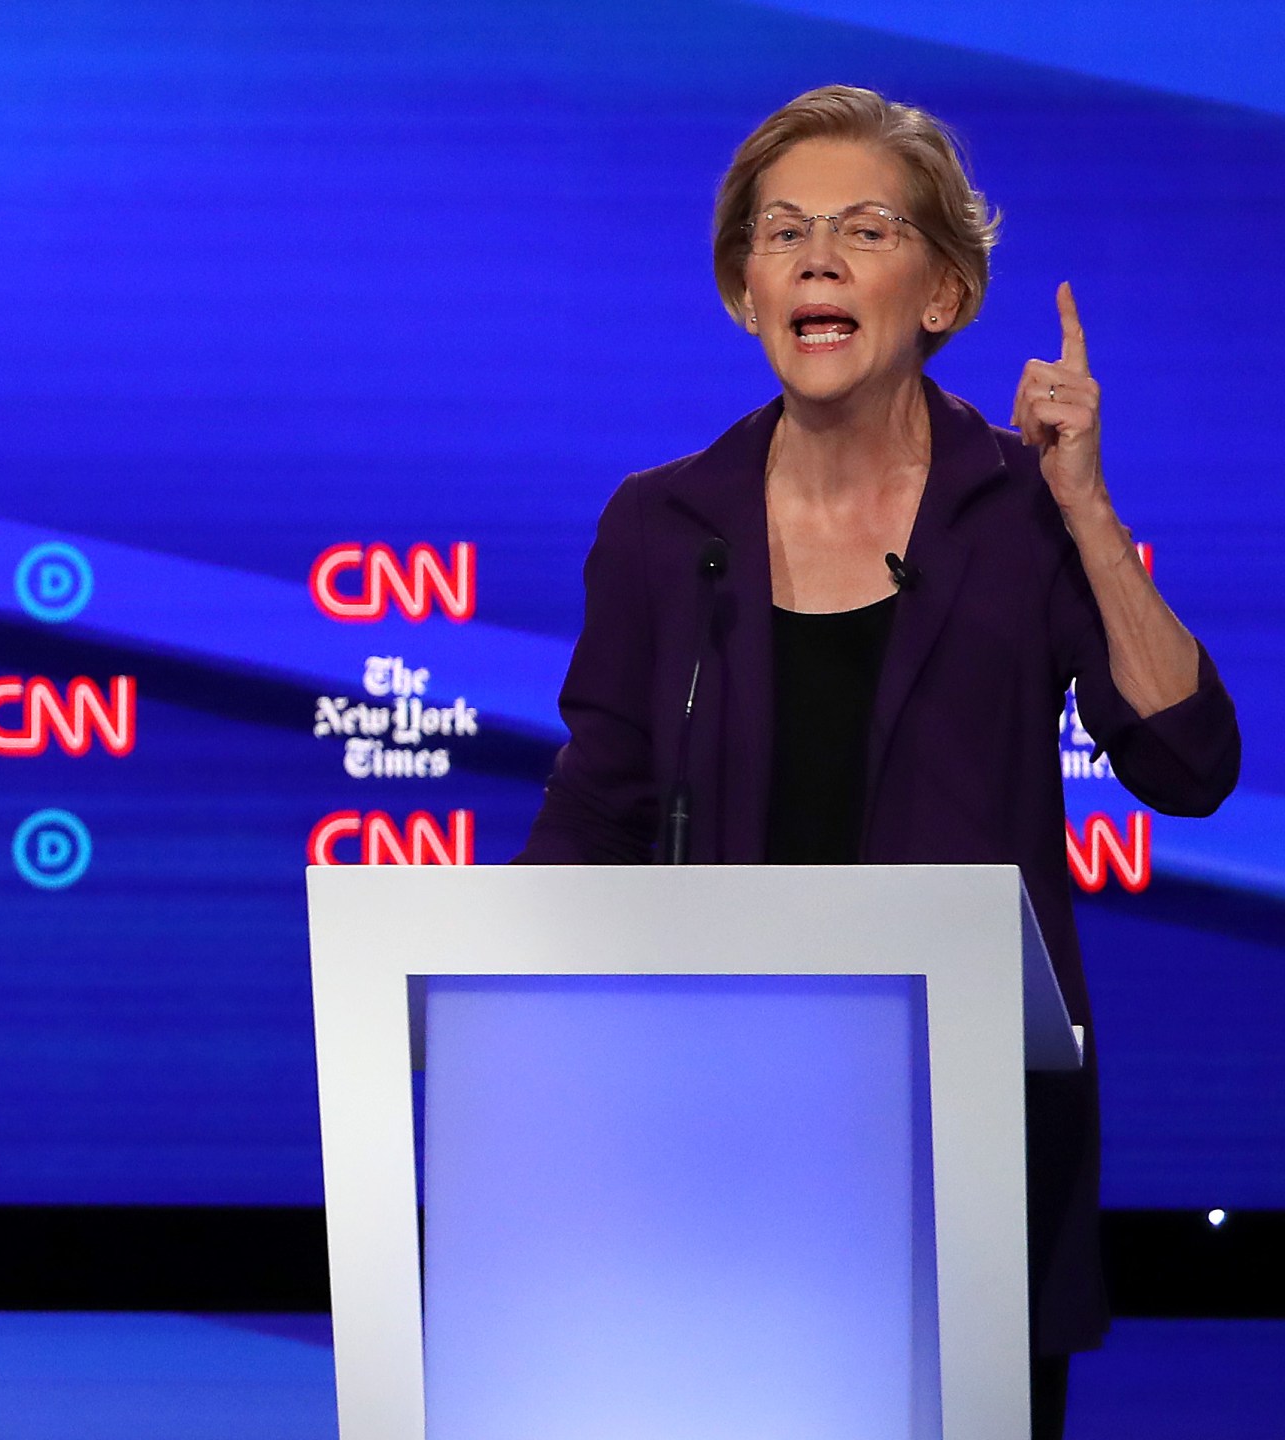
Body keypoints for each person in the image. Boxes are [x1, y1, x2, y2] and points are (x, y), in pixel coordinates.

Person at [518, 85, 1239, 1437]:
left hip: (963, 1155)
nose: (817, 257)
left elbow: (1189, 764)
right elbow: (594, 809)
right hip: (714, 1143)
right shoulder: (663, 528)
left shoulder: (1019, 514)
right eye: (782, 232)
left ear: (944, 293)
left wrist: (1086, 507)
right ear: (746, 291)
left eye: (862, 227)